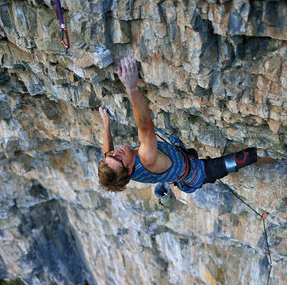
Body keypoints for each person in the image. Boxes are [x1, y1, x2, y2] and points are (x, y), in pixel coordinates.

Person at [98, 56, 270, 194]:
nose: (116, 153)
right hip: (197, 174)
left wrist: (106, 123)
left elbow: (107, 151)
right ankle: (266, 154)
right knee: (242, 159)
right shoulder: (147, 158)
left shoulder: (118, 168)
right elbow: (145, 127)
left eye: (111, 155)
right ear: (129, 170)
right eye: (118, 158)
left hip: (181, 160)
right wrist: (132, 88)